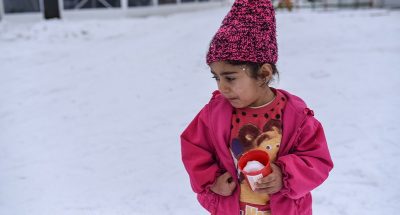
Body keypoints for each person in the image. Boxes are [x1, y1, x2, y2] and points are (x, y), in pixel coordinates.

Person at [180, 0, 333, 214]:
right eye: (216, 78)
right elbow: (193, 148)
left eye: (230, 78)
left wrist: (285, 175)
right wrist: (212, 180)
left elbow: (317, 159)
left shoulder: (296, 116)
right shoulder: (215, 113)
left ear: (263, 74)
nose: (222, 87)